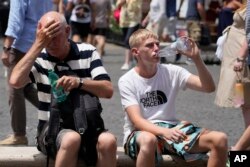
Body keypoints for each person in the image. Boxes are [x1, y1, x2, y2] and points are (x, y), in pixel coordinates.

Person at [9, 11, 117, 167]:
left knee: (108, 141)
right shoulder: (39, 58)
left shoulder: (87, 52)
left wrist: (79, 82)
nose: (50, 41)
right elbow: (15, 82)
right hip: (51, 128)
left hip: (88, 125)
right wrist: (38, 44)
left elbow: (108, 90)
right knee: (71, 138)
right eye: (46, 36)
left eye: (55, 35)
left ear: (67, 31)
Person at [118, 29, 228, 167]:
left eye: (157, 44)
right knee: (148, 140)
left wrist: (197, 59)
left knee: (220, 139)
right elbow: (137, 121)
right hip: (140, 133)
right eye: (150, 45)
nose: (156, 48)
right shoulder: (127, 80)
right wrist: (164, 132)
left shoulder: (172, 71)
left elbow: (208, 87)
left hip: (171, 130)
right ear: (135, 52)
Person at [0, 0, 53, 145]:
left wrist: (6, 48)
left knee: (14, 88)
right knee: (27, 87)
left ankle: (19, 135)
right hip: (40, 42)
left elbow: (16, 20)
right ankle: (58, 112)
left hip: (23, 45)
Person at [116, 0, 142, 70]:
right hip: (124, 21)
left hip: (134, 21)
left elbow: (138, 8)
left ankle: (127, 62)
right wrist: (121, 2)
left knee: (128, 40)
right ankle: (132, 60)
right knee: (128, 41)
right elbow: (117, 5)